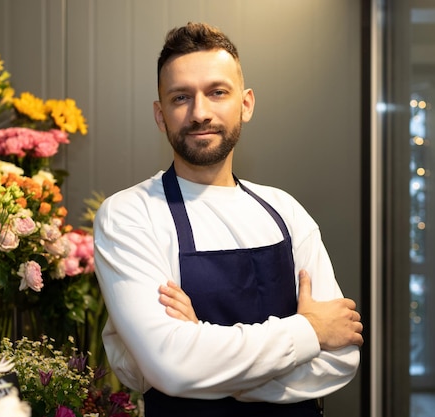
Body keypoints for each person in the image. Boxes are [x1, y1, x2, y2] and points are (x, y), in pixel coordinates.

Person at [93, 22, 363, 417]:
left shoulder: (285, 211)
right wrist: (309, 331)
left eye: (217, 92)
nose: (199, 113)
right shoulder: (129, 215)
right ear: (160, 114)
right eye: (180, 97)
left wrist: (201, 347)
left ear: (246, 103)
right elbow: (169, 365)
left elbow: (340, 358)